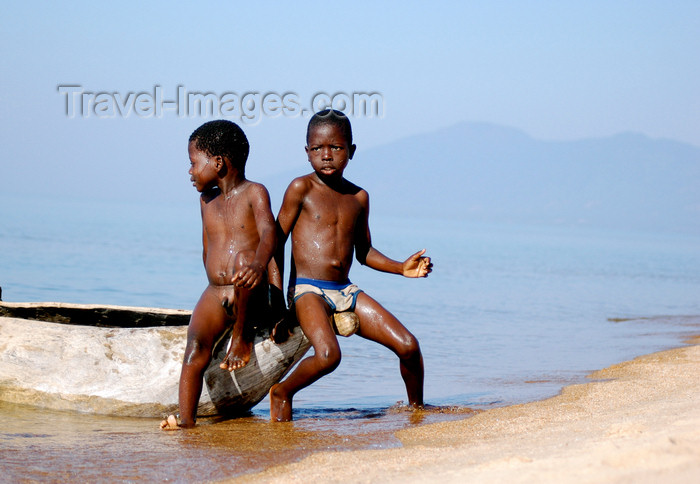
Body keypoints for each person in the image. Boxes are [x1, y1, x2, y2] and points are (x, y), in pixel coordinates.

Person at [269, 109, 432, 422]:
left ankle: (417, 413)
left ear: (352, 151)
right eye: (317, 148)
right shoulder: (300, 189)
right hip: (307, 291)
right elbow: (275, 243)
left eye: (336, 148)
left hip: (345, 290)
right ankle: (282, 392)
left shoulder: (358, 197)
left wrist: (401, 267)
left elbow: (364, 252)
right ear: (307, 153)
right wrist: (279, 300)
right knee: (329, 356)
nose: (326, 155)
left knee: (409, 346)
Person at [161, 120, 279, 429]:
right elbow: (207, 248)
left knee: (243, 260)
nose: (189, 171)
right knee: (195, 348)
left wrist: (259, 267)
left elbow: (270, 233)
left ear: (218, 162)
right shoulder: (206, 201)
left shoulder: (255, 192)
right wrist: (215, 284)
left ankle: (241, 338)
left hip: (250, 290)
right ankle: (186, 422)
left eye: (192, 163)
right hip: (216, 291)